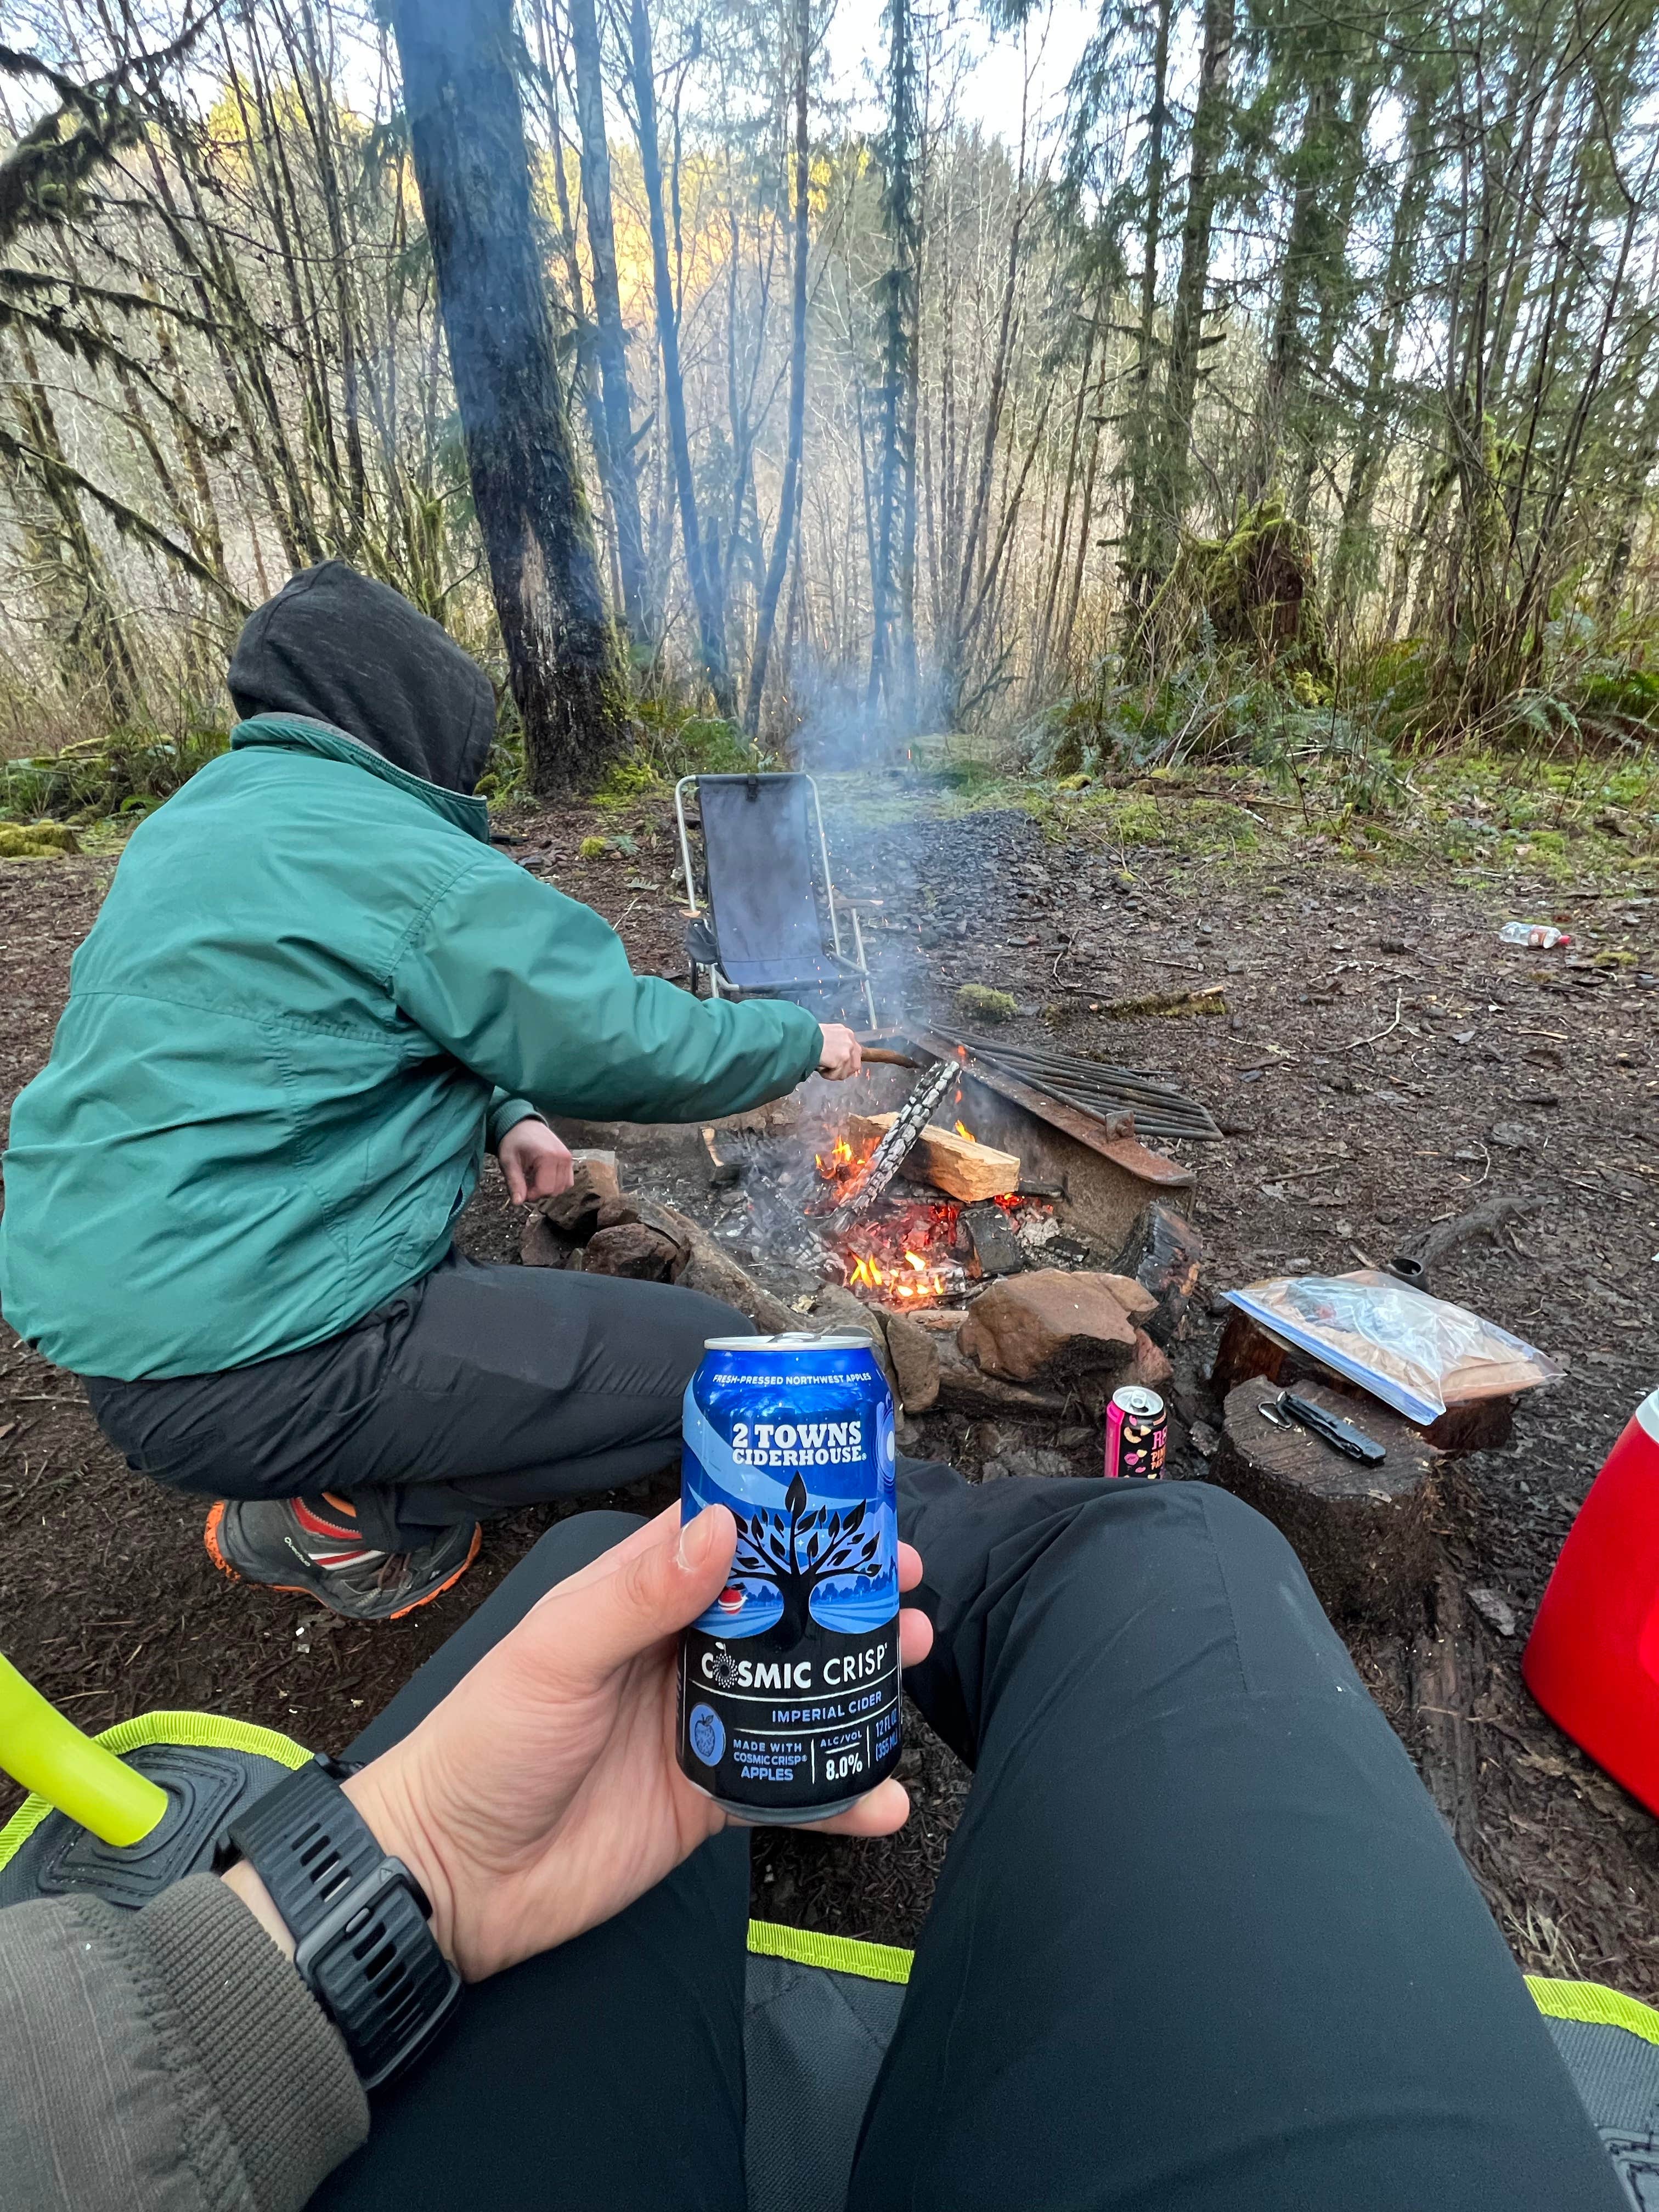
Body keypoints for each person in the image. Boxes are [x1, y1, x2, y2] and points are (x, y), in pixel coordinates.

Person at [0, 1466, 1628, 2212]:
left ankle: (846, 1548)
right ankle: (962, 1535)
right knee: (1174, 1546)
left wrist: (408, 1855)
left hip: (218, 2084)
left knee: (598, 1560)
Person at [0, 561, 865, 1620]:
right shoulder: (402, 855)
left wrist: (507, 1110)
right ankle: (344, 1520)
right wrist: (799, 1037)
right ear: (416, 722)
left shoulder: (199, 827)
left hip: (131, 1323)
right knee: (709, 1373)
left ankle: (322, 1468)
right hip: (253, 1358)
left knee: (479, 1281)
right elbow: (618, 1038)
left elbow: (315, 1019)